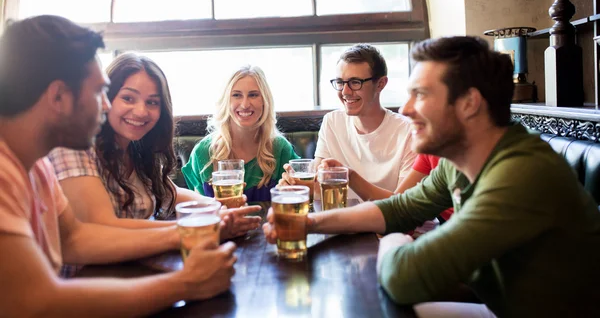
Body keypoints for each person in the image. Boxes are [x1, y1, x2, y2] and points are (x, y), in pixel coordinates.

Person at [264, 36, 600, 317]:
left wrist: (395, 240)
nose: (407, 109)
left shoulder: (521, 174)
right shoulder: (460, 160)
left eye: (421, 95)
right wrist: (307, 224)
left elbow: (404, 275)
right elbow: (400, 208)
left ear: (469, 104)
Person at [0, 15, 236, 316]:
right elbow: (36, 301)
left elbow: (75, 238)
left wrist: (194, 230)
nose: (107, 105)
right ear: (58, 96)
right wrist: (187, 283)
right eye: (100, 92)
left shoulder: (35, 164)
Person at [48, 53, 260, 243]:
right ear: (105, 97)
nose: (141, 111)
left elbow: (173, 194)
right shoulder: (77, 146)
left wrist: (219, 209)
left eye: (152, 102)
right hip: (87, 280)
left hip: (132, 270)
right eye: (128, 98)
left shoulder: (136, 149)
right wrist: (201, 229)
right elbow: (103, 226)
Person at [310, 44, 416, 200]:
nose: (345, 92)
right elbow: (318, 188)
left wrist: (349, 177)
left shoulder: (408, 131)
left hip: (389, 224)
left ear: (380, 84)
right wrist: (294, 185)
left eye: (355, 82)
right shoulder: (332, 122)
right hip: (344, 220)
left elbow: (404, 206)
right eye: (340, 82)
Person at [182, 65, 299, 202]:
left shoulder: (280, 148)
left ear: (264, 101)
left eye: (253, 95)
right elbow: (199, 213)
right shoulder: (203, 152)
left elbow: (300, 197)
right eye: (236, 95)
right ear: (226, 101)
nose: (244, 104)